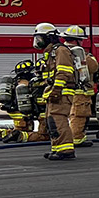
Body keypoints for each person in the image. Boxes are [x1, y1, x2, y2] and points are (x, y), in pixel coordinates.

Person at [33, 22, 76, 161]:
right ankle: (57, 148)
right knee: (52, 121)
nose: (38, 42)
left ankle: (66, 150)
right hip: (54, 91)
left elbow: (64, 72)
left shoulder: (60, 50)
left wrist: (57, 90)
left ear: (49, 37)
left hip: (62, 92)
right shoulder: (51, 52)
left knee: (58, 119)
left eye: (40, 38)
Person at [0, 59, 39, 141]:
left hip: (13, 113)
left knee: (17, 129)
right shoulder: (29, 83)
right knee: (28, 132)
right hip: (24, 114)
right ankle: (19, 135)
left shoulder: (14, 82)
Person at [62, 26, 97, 148]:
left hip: (64, 90)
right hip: (79, 91)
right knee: (79, 114)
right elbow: (93, 67)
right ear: (77, 40)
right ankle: (77, 138)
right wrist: (87, 58)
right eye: (81, 40)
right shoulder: (80, 54)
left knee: (65, 116)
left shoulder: (59, 52)